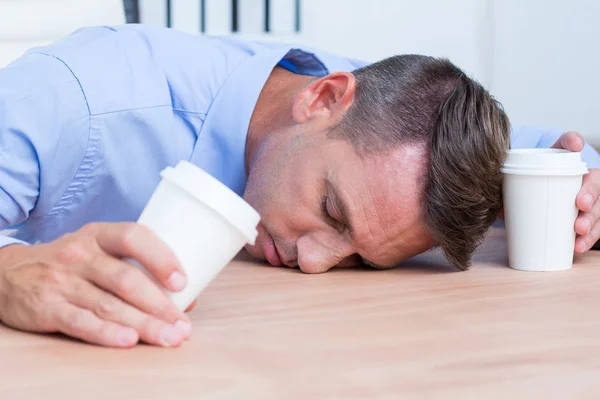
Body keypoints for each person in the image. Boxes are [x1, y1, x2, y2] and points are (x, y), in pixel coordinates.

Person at [0, 25, 599, 349]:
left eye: (361, 259)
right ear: (322, 98)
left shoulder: (384, 124)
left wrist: (585, 193)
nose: (314, 263)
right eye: (331, 210)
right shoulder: (74, 98)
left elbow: (552, 152)